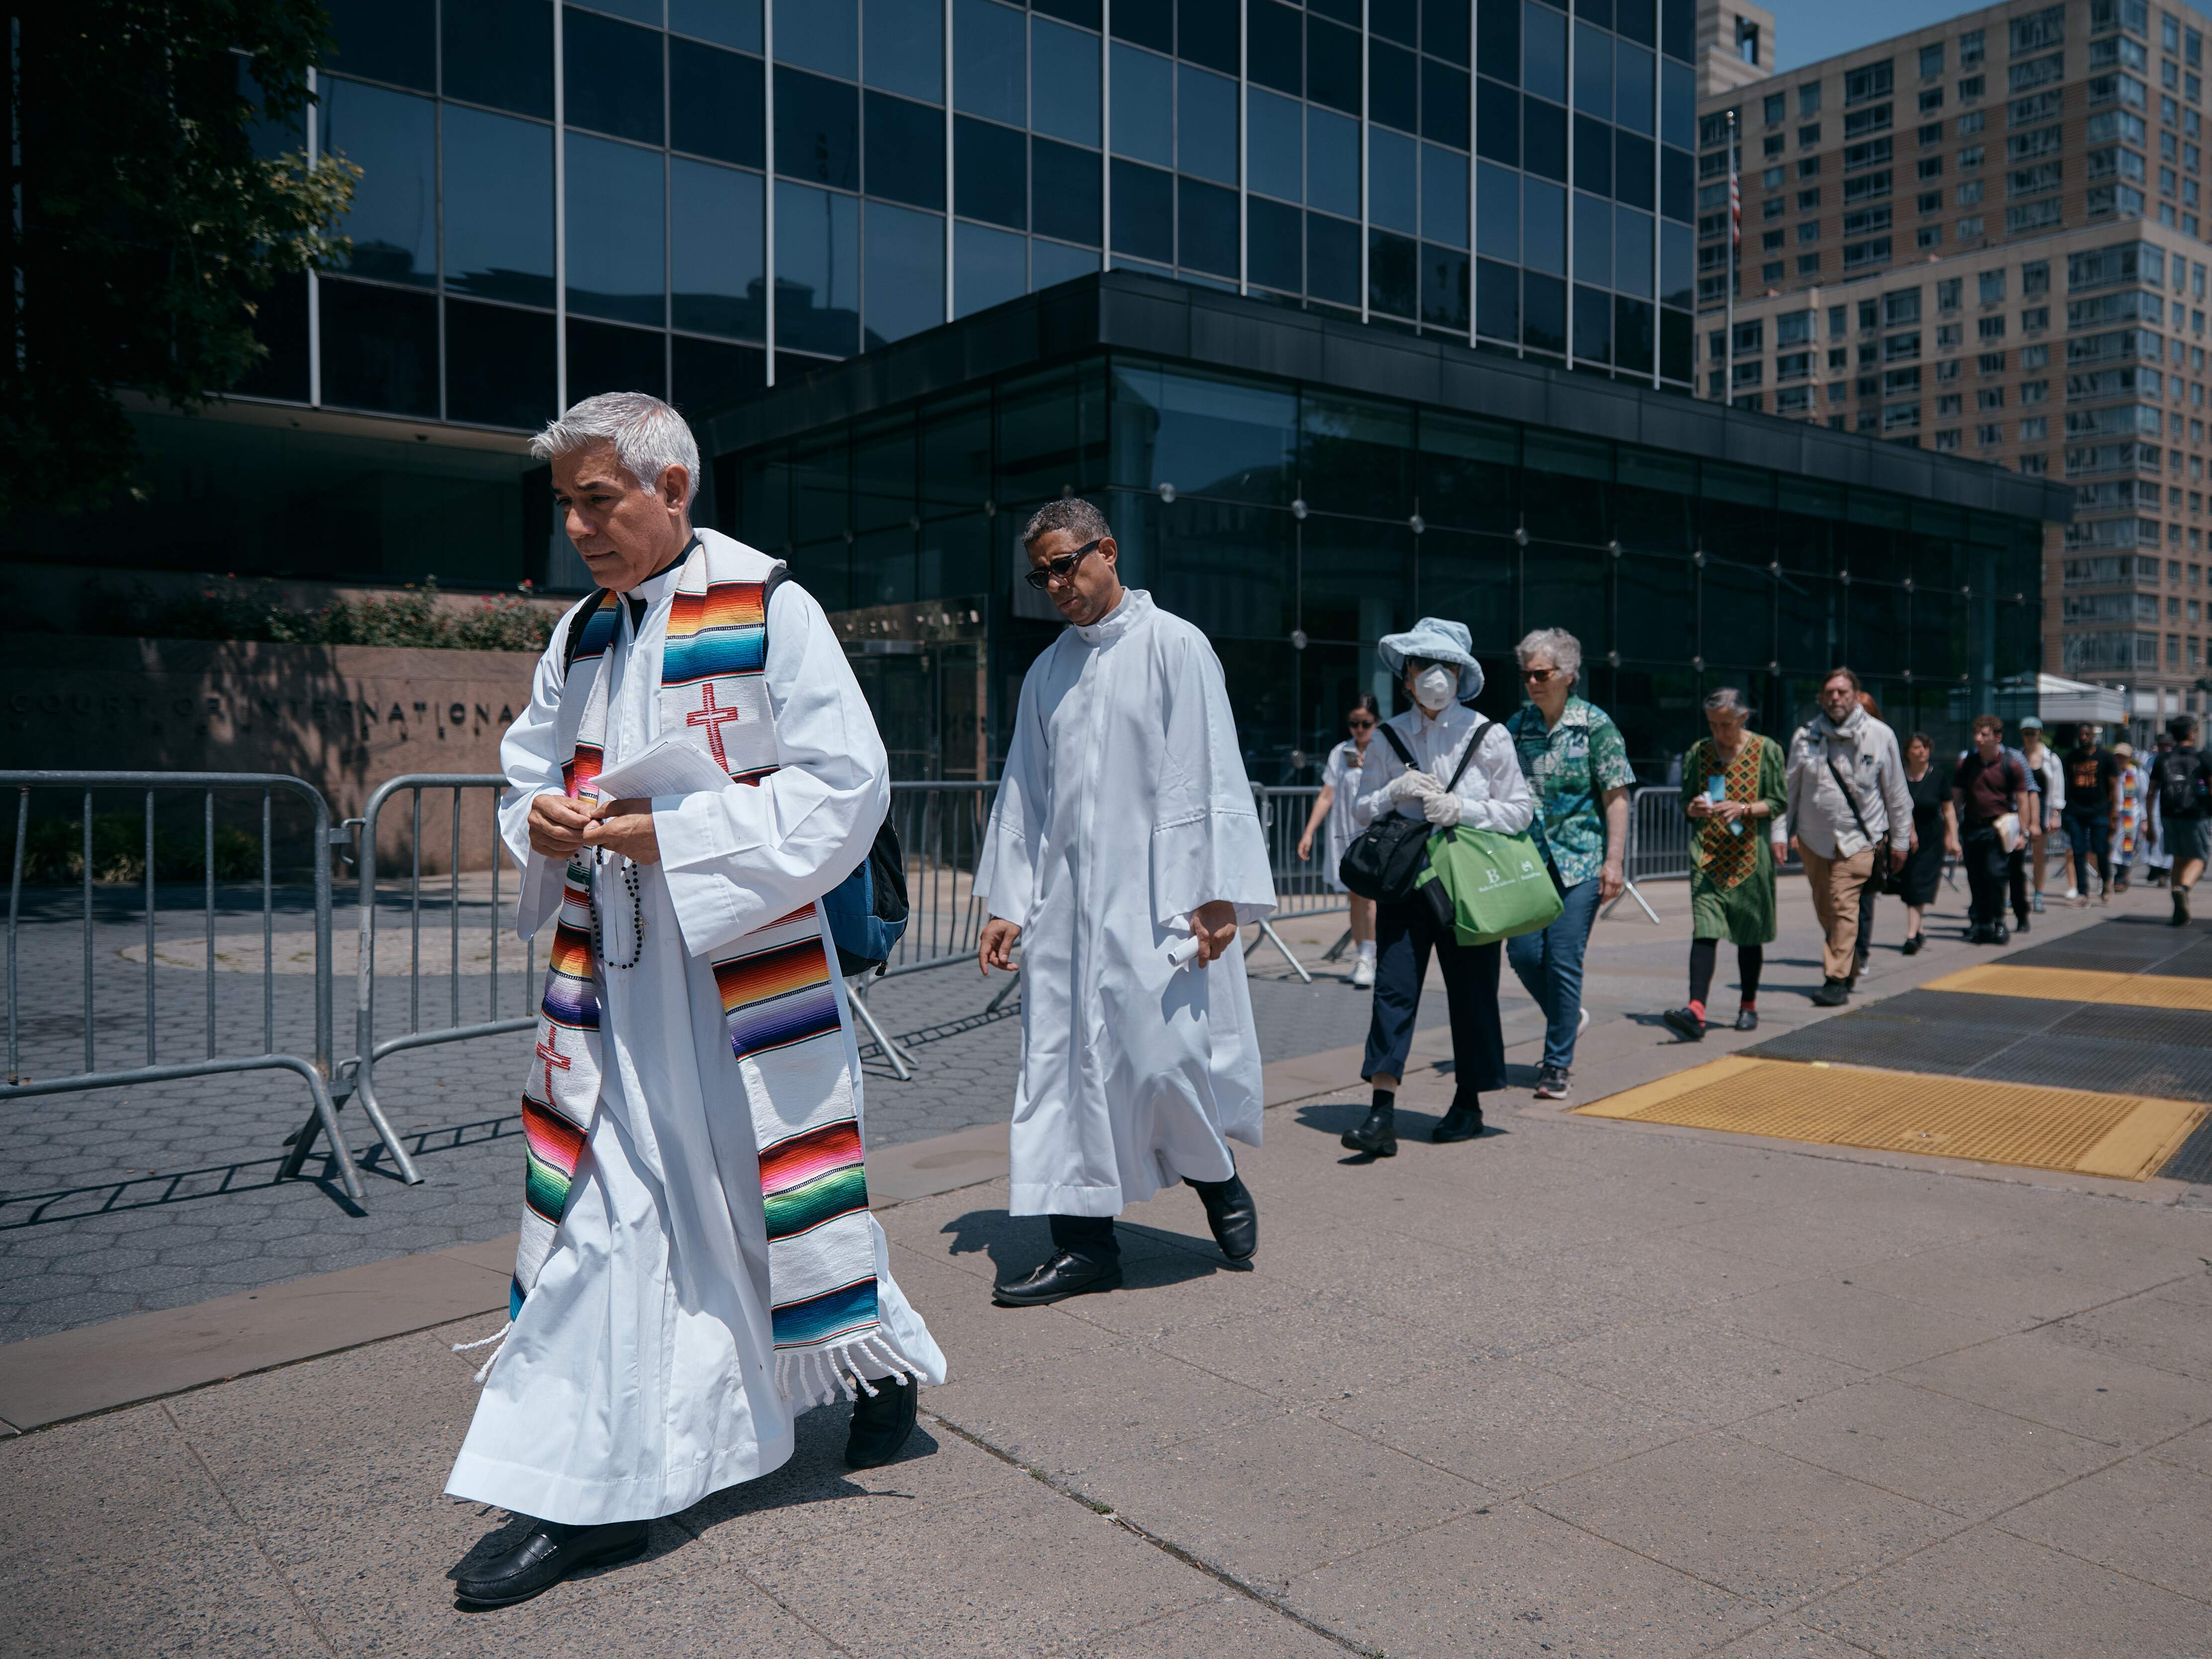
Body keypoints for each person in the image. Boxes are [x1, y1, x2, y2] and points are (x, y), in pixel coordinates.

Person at [442, 393, 945, 1609]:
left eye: (597, 498)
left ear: (673, 489)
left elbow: (845, 787)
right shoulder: (583, 634)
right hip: (616, 976)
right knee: (614, 1218)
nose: (576, 526)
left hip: (739, 966)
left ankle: (869, 1364)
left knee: (752, 1189)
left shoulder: (771, 610)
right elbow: (527, 768)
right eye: (564, 503)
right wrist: (544, 821)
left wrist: (675, 833)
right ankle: (597, 1492)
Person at [976, 498, 1275, 1305]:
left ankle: (1216, 1178)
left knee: (1161, 1059)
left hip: (1155, 903)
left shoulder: (1176, 644)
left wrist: (1215, 895)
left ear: (1105, 549)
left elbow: (1209, 769)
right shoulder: (1047, 671)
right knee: (1061, 1071)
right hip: (1064, 912)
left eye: (1065, 564)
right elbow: (1023, 793)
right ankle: (1083, 1243)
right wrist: (1006, 900)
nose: (1054, 584)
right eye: (1040, 574)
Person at [1339, 617, 1534, 1158]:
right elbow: (1358, 809)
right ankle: (1380, 1116)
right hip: (1405, 881)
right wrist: (1391, 791)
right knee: (1392, 990)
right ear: (1407, 676)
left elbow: (1519, 811)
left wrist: (1462, 809)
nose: (1434, 677)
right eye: (1424, 666)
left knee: (1472, 992)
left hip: (1468, 883)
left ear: (1460, 674)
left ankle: (1468, 1103)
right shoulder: (1387, 735)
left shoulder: (1488, 734)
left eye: (1445, 667)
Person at [1503, 628, 1634, 1102]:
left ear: (1568, 675)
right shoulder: (1517, 728)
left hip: (1582, 862)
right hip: (1529, 862)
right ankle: (1569, 1016)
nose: (1532, 682)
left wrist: (1614, 863)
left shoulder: (1596, 726)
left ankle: (1556, 1063)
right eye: (1527, 674)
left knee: (1562, 957)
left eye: (1541, 673)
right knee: (1521, 954)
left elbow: (1617, 798)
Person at [1785, 667, 1912, 1007]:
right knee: (1825, 909)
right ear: (1821, 698)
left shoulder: (1881, 735)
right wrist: (1780, 834)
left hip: (1859, 841)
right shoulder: (1805, 737)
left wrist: (1900, 840)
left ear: (1856, 695)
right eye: (1829, 692)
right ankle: (1849, 965)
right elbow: (1790, 791)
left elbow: (1897, 794)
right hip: (1814, 842)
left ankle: (1836, 979)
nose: (1835, 698)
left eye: (1842, 692)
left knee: (1843, 906)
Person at [1661, 687, 1784, 1040]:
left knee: (1749, 933)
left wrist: (1744, 809)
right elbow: (1687, 799)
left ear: (1744, 718)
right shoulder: (1699, 753)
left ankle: (1748, 1004)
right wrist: (1693, 808)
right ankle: (1696, 1010)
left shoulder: (1767, 750)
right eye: (1713, 724)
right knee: (1705, 929)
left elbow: (1777, 801)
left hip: (1750, 858)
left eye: (1726, 725)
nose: (1719, 733)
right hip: (1708, 855)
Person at [1298, 695, 1382, 988]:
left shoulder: (1383, 749)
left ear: (1377, 723)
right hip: (1345, 834)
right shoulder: (1341, 752)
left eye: (1366, 724)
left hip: (1374, 835)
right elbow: (1326, 794)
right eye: (1354, 724)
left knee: (1370, 898)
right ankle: (1362, 956)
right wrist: (1309, 832)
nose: (1360, 729)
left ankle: (1370, 957)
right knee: (1354, 898)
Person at [1948, 714, 2032, 944]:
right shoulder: (1966, 765)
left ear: (1998, 737)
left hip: (1999, 830)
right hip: (1973, 827)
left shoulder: (2011, 764)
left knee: (1996, 876)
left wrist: (2023, 834)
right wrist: (1952, 833)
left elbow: (2023, 801)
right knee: (1976, 878)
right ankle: (1982, 924)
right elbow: (1955, 801)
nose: (1978, 739)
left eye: (1984, 735)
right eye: (1976, 734)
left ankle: (1999, 921)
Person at [2151, 714, 2212, 924]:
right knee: (2200, 858)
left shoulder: (2163, 758)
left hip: (2169, 815)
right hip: (2197, 815)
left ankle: (2178, 910)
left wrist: (2151, 823)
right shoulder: (2203, 757)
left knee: (2177, 858)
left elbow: (2151, 792)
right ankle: (2183, 888)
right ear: (2191, 733)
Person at [1895, 731, 1948, 955]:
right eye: (1917, 747)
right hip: (1904, 836)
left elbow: (1949, 811)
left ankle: (1910, 935)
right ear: (1908, 752)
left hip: (1931, 839)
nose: (1922, 751)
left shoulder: (1938, 777)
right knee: (1910, 884)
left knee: (1919, 884)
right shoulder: (1899, 777)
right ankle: (1919, 930)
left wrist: (1953, 838)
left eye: (1925, 747)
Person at [1851, 689, 1892, 975]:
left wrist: (1897, 834)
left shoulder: (1883, 741)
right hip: (1839, 837)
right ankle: (1844, 952)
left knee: (1864, 899)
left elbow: (1895, 794)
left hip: (1870, 839)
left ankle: (1860, 953)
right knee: (1840, 901)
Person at [2061, 723, 2120, 903]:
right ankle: (2083, 891)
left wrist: (2115, 812)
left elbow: (2114, 785)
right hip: (2075, 810)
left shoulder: (2105, 757)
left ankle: (2106, 882)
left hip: (2099, 810)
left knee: (2101, 850)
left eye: (2087, 734)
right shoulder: (2071, 758)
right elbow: (2065, 785)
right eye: (2081, 735)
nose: (2084, 737)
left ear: (2093, 736)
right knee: (2078, 851)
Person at [2017, 717, 2065, 912]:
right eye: (2026, 733)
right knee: (2017, 857)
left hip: (2042, 814)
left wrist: (2056, 815)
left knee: (2039, 856)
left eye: (2033, 733)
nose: (2029, 737)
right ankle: (2017, 894)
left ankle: (2038, 894)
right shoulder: (2017, 757)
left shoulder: (2051, 758)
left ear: (2039, 734)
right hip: (2020, 813)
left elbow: (2057, 789)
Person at [2109, 740, 2144, 893]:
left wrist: (2145, 819)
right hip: (2115, 815)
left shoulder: (2136, 774)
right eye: (2118, 757)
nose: (2120, 760)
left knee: (2126, 847)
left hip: (2131, 816)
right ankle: (2119, 874)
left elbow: (2143, 796)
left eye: (2123, 757)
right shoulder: (2112, 773)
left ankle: (2122, 876)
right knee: (2114, 847)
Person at [2146, 730, 2176, 886]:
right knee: (2154, 838)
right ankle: (2155, 868)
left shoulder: (2174, 761)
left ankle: (2165, 871)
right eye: (2162, 745)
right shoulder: (2150, 762)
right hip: (2154, 804)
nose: (2164, 748)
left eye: (2167, 745)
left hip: (2169, 804)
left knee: (2166, 839)